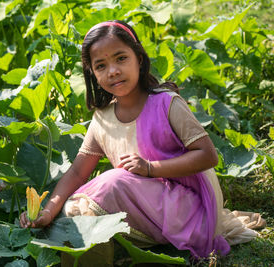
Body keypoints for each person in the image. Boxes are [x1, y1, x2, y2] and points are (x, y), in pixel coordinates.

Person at [20, 20, 264, 261]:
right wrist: (49, 210)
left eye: (121, 58)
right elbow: (76, 173)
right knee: (73, 209)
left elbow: (208, 155)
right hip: (141, 208)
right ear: (92, 74)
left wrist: (150, 168)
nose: (113, 71)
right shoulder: (102, 118)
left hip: (185, 210)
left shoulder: (166, 104)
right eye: (101, 65)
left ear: (139, 57)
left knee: (112, 183)